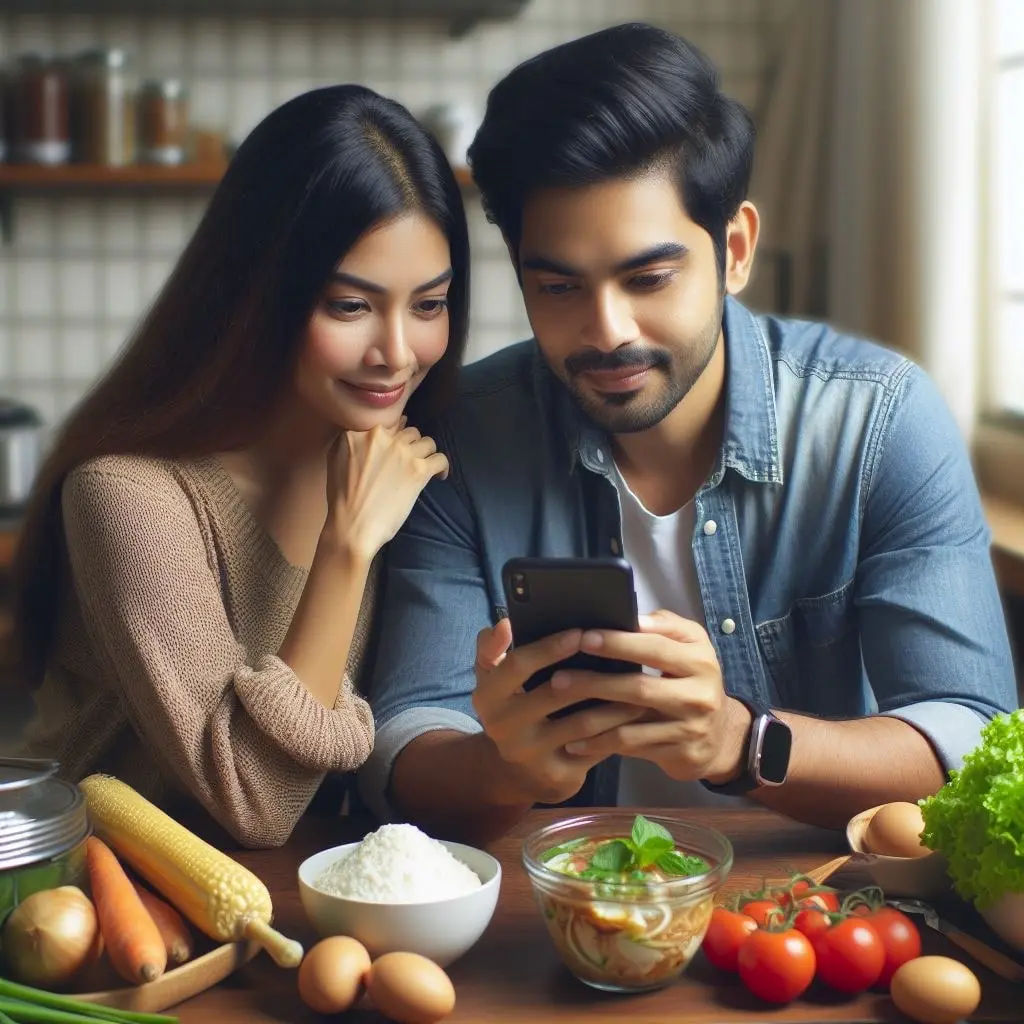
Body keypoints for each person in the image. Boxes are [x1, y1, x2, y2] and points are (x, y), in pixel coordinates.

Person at [358, 23, 1019, 844]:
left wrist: (742, 743)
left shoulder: (877, 421)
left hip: (812, 914)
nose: (606, 331)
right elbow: (402, 747)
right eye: (559, 285)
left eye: (648, 278)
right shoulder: (463, 436)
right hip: (562, 915)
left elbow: (973, 738)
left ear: (734, 250)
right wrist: (507, 770)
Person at [11, 85, 469, 848]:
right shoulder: (128, 495)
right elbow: (258, 803)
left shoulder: (400, 463)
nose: (397, 352)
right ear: (259, 297)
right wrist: (347, 546)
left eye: (429, 305)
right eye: (350, 306)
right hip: (106, 905)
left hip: (305, 905)